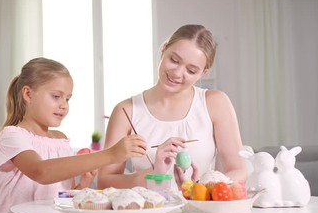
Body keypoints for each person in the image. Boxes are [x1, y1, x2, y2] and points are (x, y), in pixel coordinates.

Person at [0, 57, 147, 213]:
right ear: (28, 94)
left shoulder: (61, 139)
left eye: (67, 99)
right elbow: (41, 172)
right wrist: (111, 154)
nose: (64, 105)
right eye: (56, 96)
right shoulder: (12, 135)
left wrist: (82, 186)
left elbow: (63, 198)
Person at [97, 24, 247, 191]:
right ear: (163, 50)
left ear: (203, 73)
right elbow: (105, 181)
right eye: (174, 60)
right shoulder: (126, 111)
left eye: (191, 70)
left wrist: (200, 189)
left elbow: (239, 170)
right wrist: (153, 174)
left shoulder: (216, 103)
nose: (177, 73)